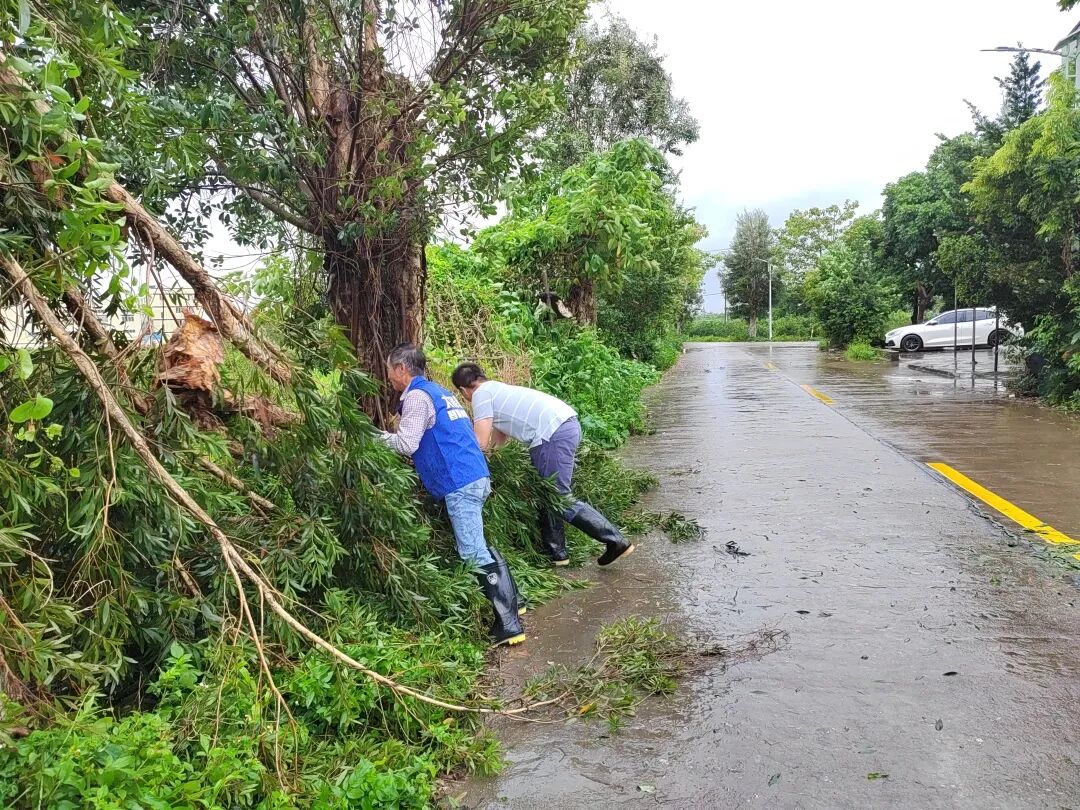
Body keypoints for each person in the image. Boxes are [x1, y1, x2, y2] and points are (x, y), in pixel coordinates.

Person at [379, 344, 526, 647]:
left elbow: (406, 444)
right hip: (474, 475)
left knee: (473, 552)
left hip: (460, 481)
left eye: (390, 369)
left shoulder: (418, 398)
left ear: (401, 369)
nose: (389, 377)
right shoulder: (438, 391)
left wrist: (371, 437)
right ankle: (516, 602)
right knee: (478, 545)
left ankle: (509, 624)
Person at [450, 362, 634, 568]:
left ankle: (615, 540)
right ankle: (557, 553)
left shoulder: (480, 395)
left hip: (551, 433)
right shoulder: (497, 389)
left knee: (558, 497)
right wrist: (495, 464)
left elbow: (481, 442)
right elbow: (499, 438)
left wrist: (465, 461)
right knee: (548, 493)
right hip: (562, 426)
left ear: (464, 390)